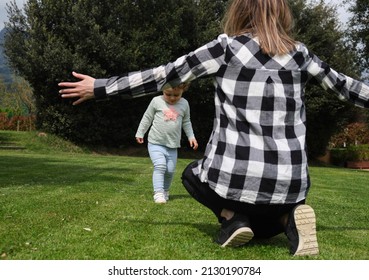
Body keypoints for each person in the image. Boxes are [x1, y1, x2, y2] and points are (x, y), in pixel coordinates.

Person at [58, 0, 369, 256]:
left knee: (191, 174)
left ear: (240, 10)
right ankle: (289, 219)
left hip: (236, 179)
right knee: (269, 217)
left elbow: (165, 75)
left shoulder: (226, 48)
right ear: (281, 12)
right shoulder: (300, 54)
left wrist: (100, 87)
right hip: (291, 184)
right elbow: (347, 86)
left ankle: (233, 219)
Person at [135, 83, 198, 204]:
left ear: (183, 91)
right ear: (162, 90)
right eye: (168, 94)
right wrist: (140, 133)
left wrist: (191, 136)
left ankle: (165, 191)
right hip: (155, 142)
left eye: (176, 95)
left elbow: (186, 121)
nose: (172, 98)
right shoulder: (156, 101)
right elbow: (147, 117)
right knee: (160, 166)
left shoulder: (184, 104)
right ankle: (158, 193)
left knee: (170, 170)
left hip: (172, 145)